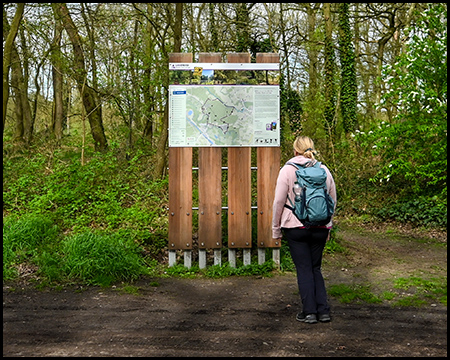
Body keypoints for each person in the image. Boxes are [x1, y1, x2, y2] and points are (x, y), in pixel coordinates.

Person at [272, 135, 337, 324]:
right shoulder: (324, 170)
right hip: (320, 227)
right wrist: (328, 226)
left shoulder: (287, 170)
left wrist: (276, 229)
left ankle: (309, 312)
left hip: (295, 227)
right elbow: (332, 201)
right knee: (315, 268)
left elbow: (278, 201)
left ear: (295, 151)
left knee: (304, 269)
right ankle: (323, 311)